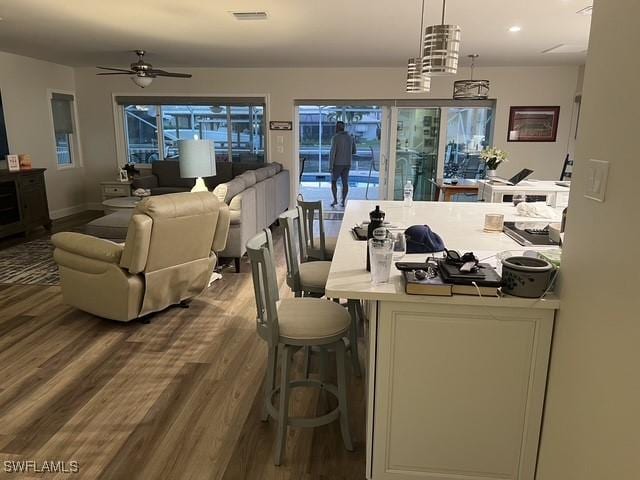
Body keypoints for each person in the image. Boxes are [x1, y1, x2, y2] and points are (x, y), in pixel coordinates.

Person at [329, 121, 357, 207]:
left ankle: (335, 200)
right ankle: (343, 201)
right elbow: (354, 151)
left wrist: (330, 166)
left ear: (337, 128)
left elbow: (332, 153)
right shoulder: (350, 137)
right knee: (345, 183)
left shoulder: (335, 138)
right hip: (347, 164)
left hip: (337, 164)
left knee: (333, 182)